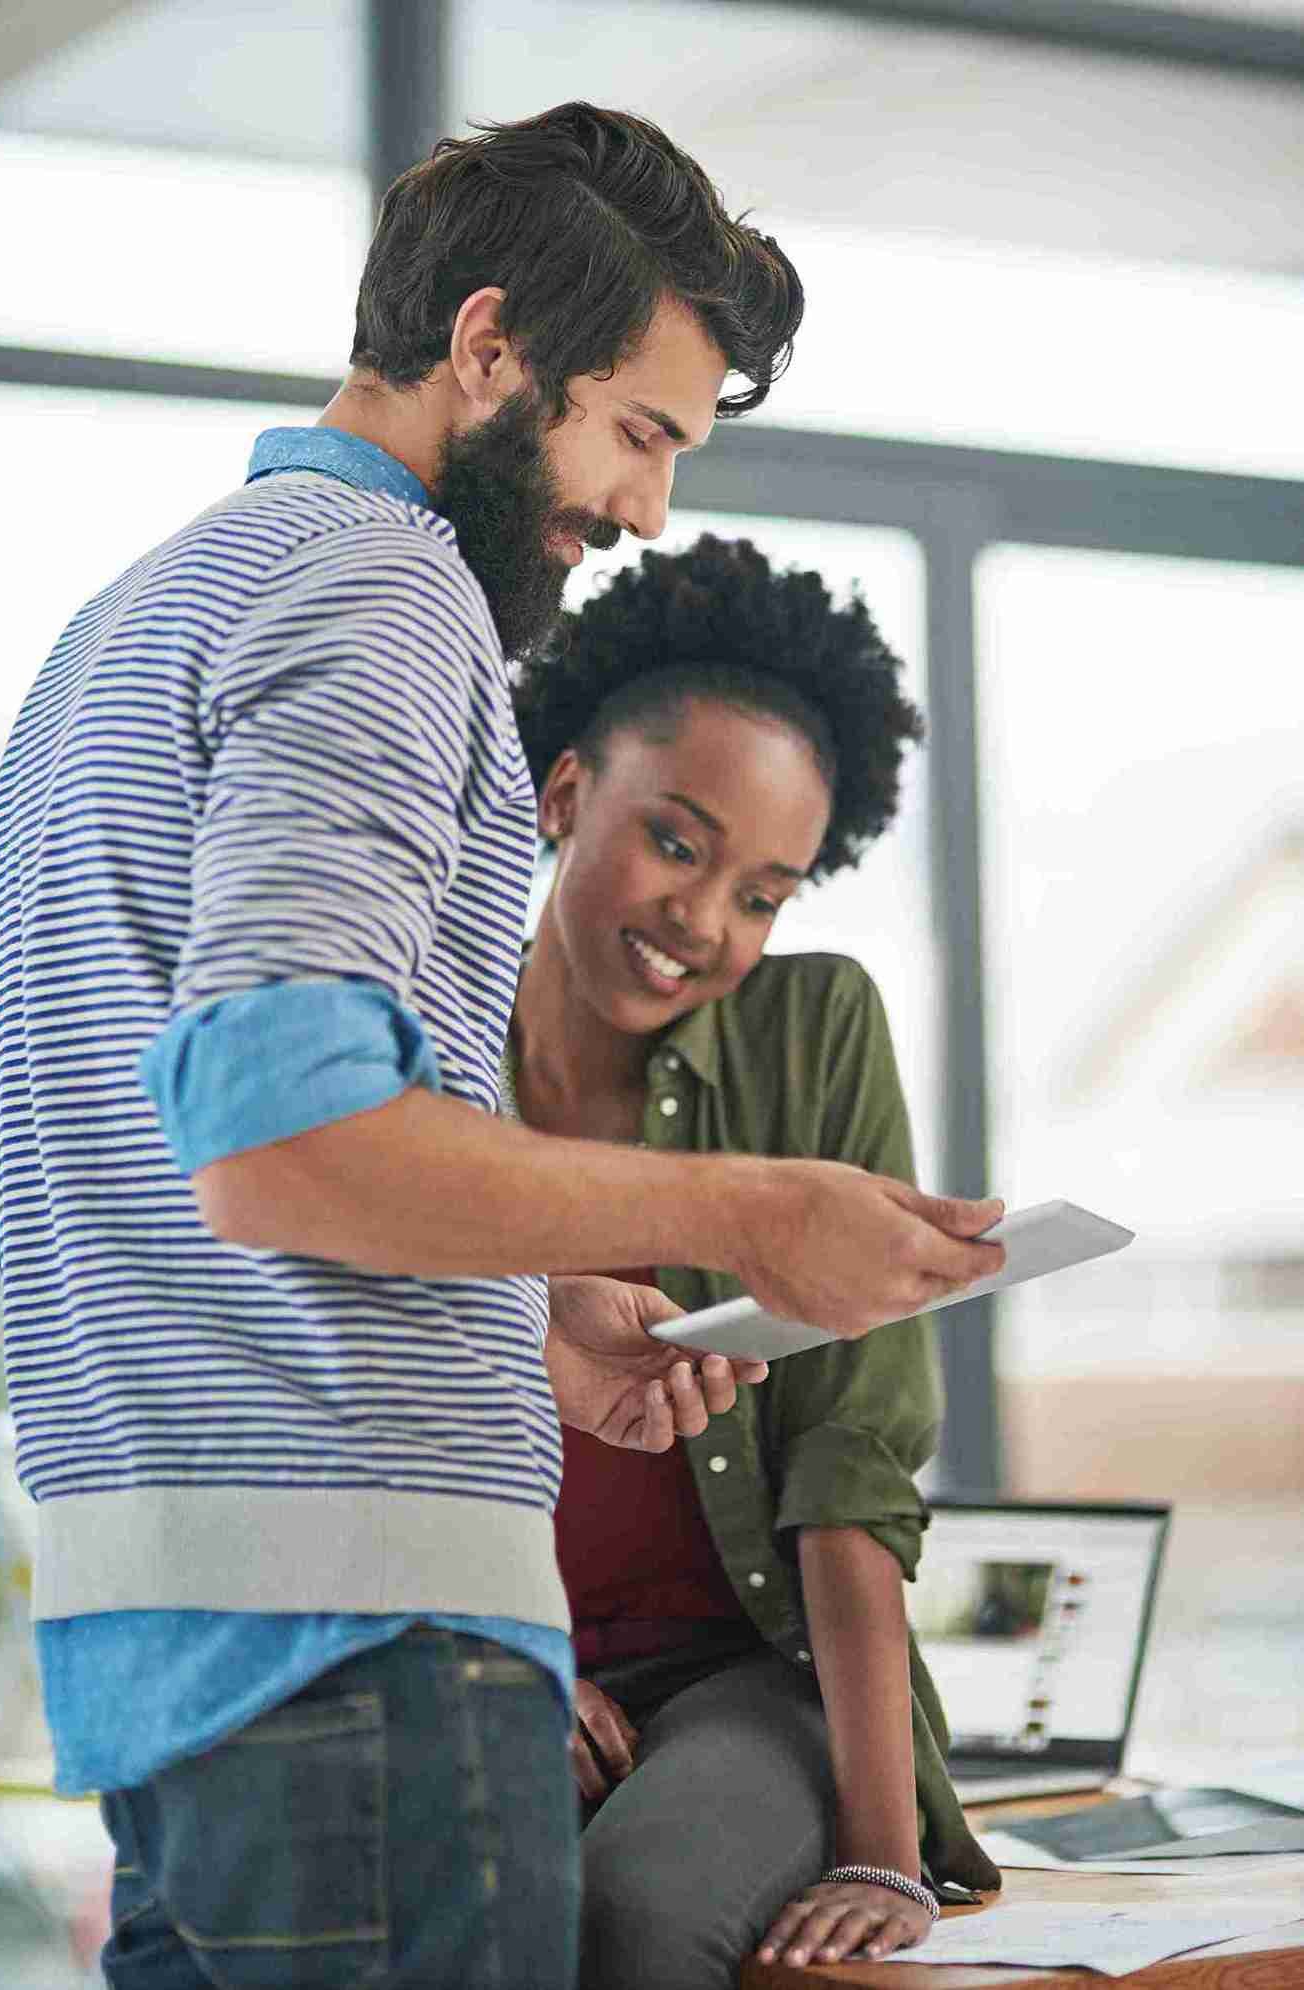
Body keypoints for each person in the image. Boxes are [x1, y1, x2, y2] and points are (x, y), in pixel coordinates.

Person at [0, 103, 1002, 1990]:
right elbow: (280, 1137)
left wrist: (530, 1317)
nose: (645, 511)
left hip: (158, 1653)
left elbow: (174, 1169)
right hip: (370, 1655)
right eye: (641, 432)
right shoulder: (384, 591)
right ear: (491, 344)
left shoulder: (116, 629)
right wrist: (750, 1213)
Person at [508, 532, 1004, 1987]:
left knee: (633, 1916)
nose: (704, 923)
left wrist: (882, 1849)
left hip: (746, 1670)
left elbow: (851, 1458)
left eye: (764, 892)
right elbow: (355, 1407)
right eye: (678, 843)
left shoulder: (815, 1031)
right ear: (564, 793)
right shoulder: (422, 1059)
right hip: (489, 1655)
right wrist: (495, 1652)